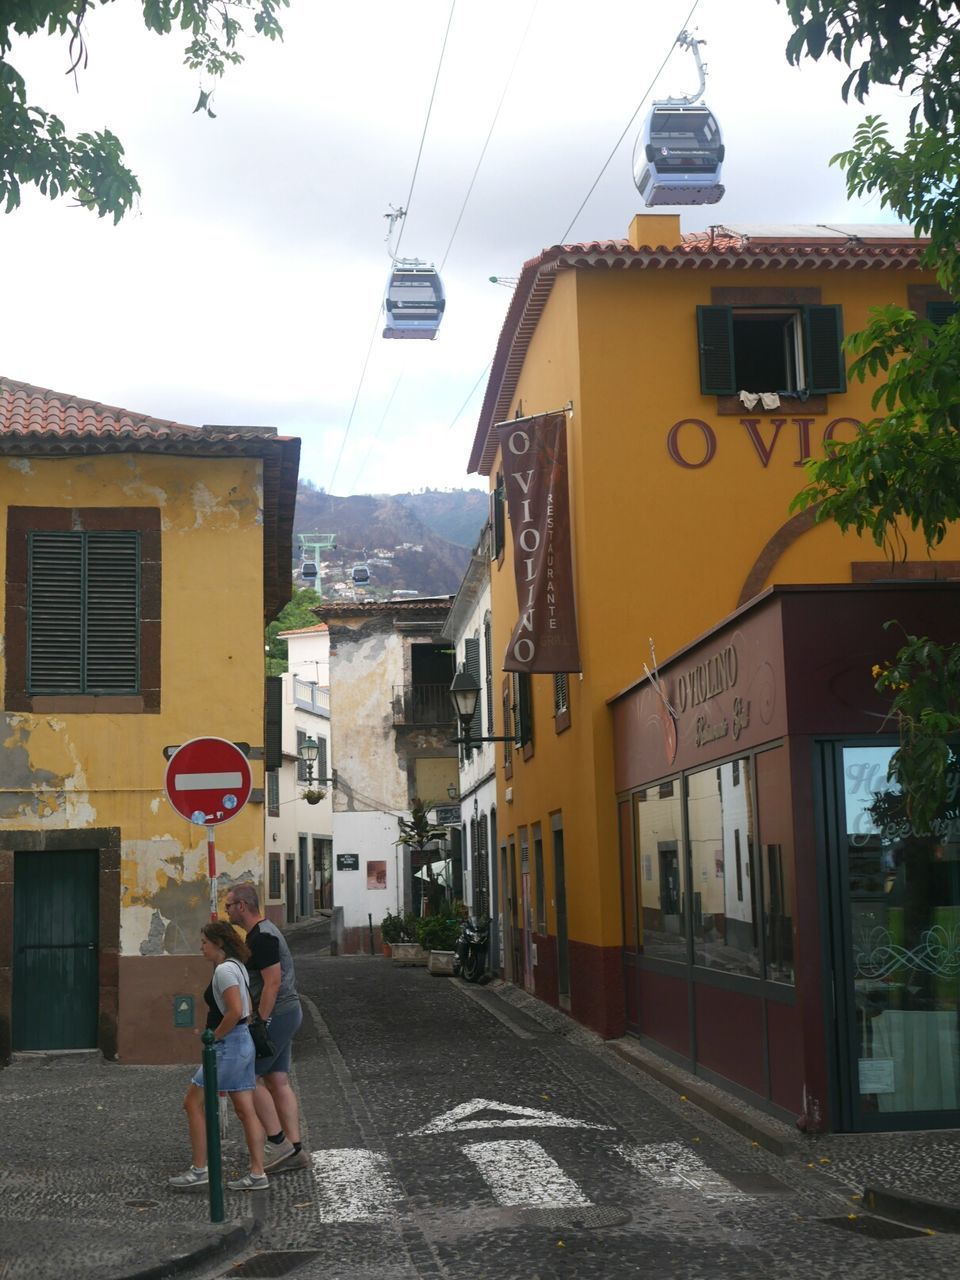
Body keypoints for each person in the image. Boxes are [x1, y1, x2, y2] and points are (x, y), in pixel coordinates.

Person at [169, 921, 269, 1192]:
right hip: (243, 1044)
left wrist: (214, 1037)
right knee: (246, 1110)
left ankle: (200, 1169)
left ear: (218, 943)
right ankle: (257, 1173)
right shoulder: (237, 966)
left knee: (192, 1103)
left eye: (204, 942)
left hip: (230, 1048)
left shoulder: (225, 970)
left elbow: (235, 1011)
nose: (201, 947)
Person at [224, 884, 308, 1172]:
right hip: (287, 1011)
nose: (227, 912)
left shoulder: (263, 937)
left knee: (249, 1076)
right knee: (277, 1080)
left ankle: (279, 1143)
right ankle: (295, 1151)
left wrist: (259, 1021)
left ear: (242, 906)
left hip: (279, 1013)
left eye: (229, 906)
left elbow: (272, 982)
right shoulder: (260, 933)